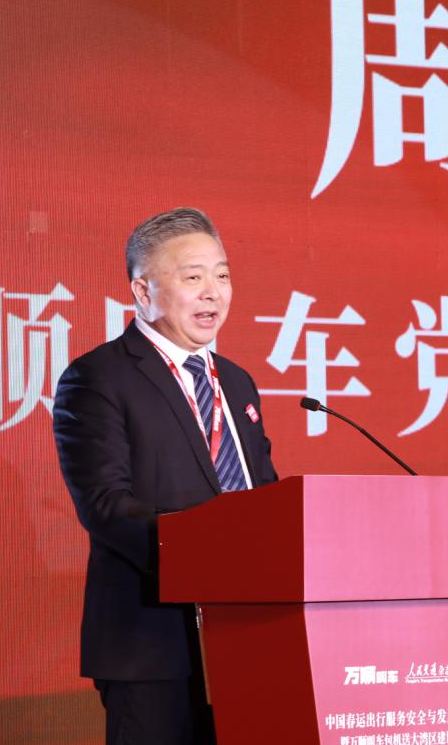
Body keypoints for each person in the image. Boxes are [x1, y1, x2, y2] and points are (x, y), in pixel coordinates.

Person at [54, 207, 279, 745]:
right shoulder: (99, 377)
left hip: (250, 638)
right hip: (153, 643)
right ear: (143, 290)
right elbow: (106, 506)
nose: (213, 292)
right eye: (193, 277)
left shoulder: (237, 383)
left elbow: (264, 498)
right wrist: (214, 552)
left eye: (222, 275)